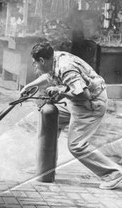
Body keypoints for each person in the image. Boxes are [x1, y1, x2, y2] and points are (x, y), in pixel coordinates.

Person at [21, 42, 122, 190]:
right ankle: (44, 164)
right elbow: (49, 76)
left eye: (35, 64)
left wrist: (60, 92)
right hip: (75, 101)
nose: (35, 67)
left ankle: (113, 173)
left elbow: (84, 95)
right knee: (49, 121)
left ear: (42, 60)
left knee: (76, 145)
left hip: (91, 104)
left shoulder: (66, 67)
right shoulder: (54, 58)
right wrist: (28, 86)